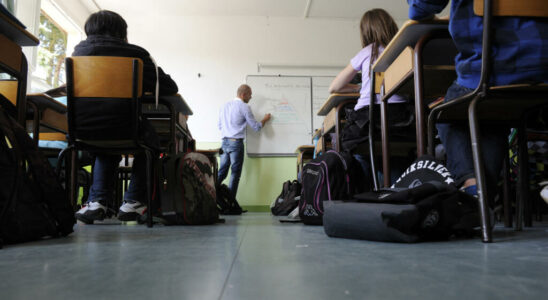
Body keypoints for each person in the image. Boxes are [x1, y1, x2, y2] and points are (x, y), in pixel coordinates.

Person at [408, 0, 548, 199]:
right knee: (492, 118)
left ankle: (472, 188)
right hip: (543, 72)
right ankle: (480, 197)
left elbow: (420, 8)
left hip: (493, 72)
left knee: (446, 114)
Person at [74, 10, 179, 224]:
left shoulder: (78, 53)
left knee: (105, 144)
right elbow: (169, 87)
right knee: (151, 141)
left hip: (83, 128)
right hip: (124, 125)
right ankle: (133, 202)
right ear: (121, 31)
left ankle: (97, 202)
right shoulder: (135, 53)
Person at [329, 8, 413, 185]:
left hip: (368, 119)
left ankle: (366, 190)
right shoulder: (404, 49)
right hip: (400, 120)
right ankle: (398, 188)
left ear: (365, 31)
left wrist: (360, 87)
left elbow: (334, 87)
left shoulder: (368, 51)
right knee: (395, 152)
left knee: (357, 149)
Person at [217, 84, 271, 198]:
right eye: (250, 95)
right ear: (243, 94)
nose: (251, 97)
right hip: (236, 143)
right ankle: (231, 203)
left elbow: (220, 126)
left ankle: (210, 198)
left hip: (224, 142)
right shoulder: (244, 107)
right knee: (235, 174)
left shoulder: (224, 106)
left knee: (221, 172)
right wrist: (265, 119)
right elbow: (256, 127)